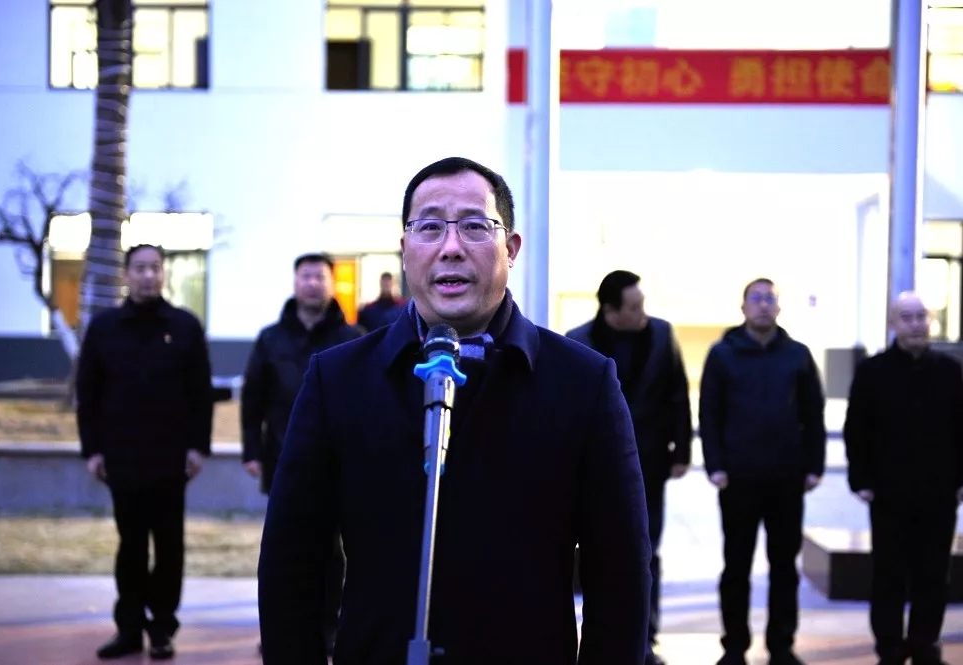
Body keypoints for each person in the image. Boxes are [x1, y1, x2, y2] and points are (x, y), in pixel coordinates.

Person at [258, 156, 652, 665]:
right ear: (405, 250)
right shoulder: (338, 380)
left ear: (511, 248)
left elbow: (620, 572)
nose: (450, 248)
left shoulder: (583, 382)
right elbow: (292, 562)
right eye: (428, 228)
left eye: (474, 226)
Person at [76, 243, 214, 661]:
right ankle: (129, 629)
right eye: (140, 268)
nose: (148, 275)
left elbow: (200, 394)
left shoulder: (185, 326)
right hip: (121, 457)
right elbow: (88, 393)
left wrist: (198, 447)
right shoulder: (104, 328)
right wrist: (92, 450)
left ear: (163, 273)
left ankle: (162, 629)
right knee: (131, 546)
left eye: (155, 267)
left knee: (169, 547)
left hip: (172, 459)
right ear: (126, 274)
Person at [241, 251, 365, 654]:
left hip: (342, 463)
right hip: (283, 459)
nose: (312, 283)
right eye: (306, 276)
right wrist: (251, 450)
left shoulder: (354, 338)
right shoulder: (270, 339)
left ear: (331, 283)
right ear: (295, 283)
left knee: (333, 551)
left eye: (319, 276)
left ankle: (328, 628)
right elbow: (253, 398)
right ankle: (283, 631)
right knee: (285, 550)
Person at [567, 270, 692, 665]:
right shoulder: (578, 341)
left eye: (643, 305)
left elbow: (678, 394)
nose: (643, 313)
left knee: (645, 550)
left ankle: (645, 640)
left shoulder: (662, 334)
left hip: (650, 461)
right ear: (610, 310)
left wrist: (682, 451)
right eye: (634, 307)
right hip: (593, 466)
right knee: (595, 551)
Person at [698, 278, 825, 665]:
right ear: (743, 307)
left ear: (779, 307)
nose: (764, 305)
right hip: (738, 477)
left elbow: (813, 414)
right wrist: (715, 465)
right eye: (756, 298)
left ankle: (781, 646)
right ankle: (734, 647)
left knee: (785, 567)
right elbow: (709, 413)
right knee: (736, 566)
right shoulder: (723, 354)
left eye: (770, 298)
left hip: (787, 477)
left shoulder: (798, 355)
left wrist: (814, 466)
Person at [843, 291, 963, 665]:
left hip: (939, 491)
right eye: (907, 317)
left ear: (931, 321)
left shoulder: (950, 371)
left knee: (933, 575)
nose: (915, 324)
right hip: (888, 492)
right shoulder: (873, 371)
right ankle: (890, 647)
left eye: (921, 317)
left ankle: (925, 644)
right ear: (893, 323)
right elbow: (856, 429)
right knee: (888, 574)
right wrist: (861, 479)